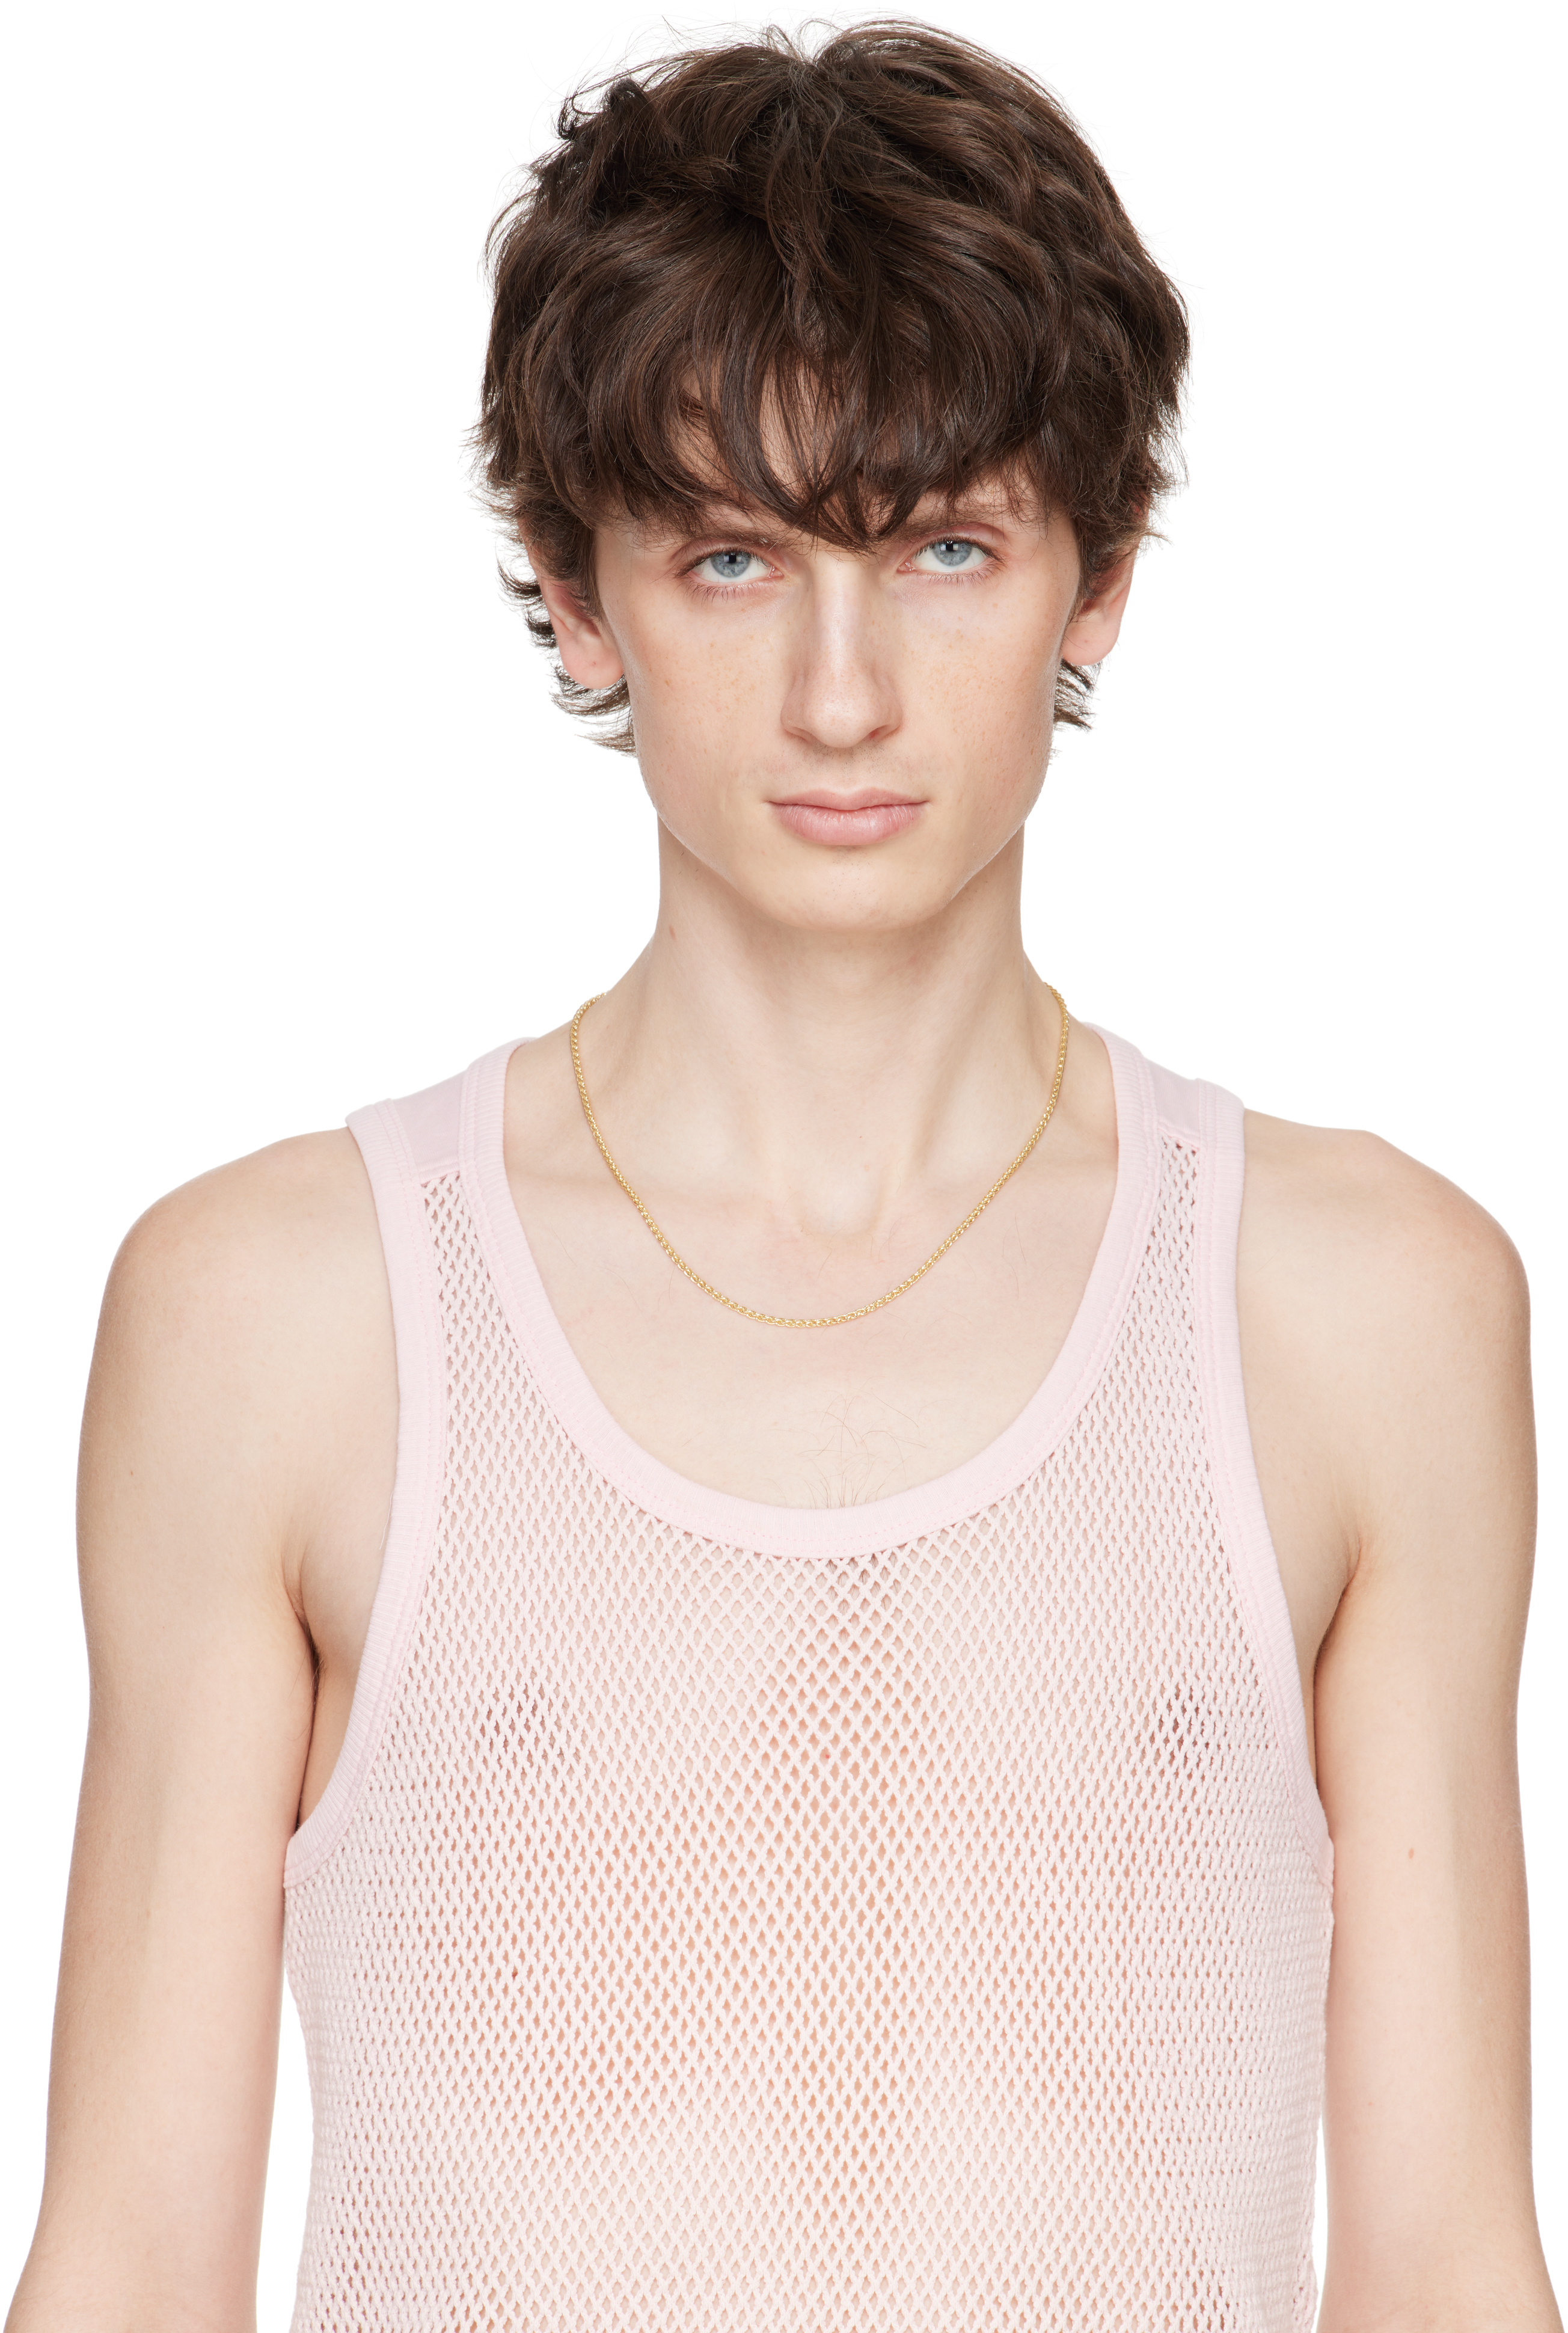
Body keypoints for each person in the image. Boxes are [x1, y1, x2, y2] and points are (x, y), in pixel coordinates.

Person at [7, 22, 1559, 2332]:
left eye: (947, 547)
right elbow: (128, 2266)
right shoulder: (279, 1317)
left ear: (1100, 578)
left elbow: (1447, 2268)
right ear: (579, 591)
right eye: (733, 558)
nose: (846, 696)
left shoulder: (1364, 1312)